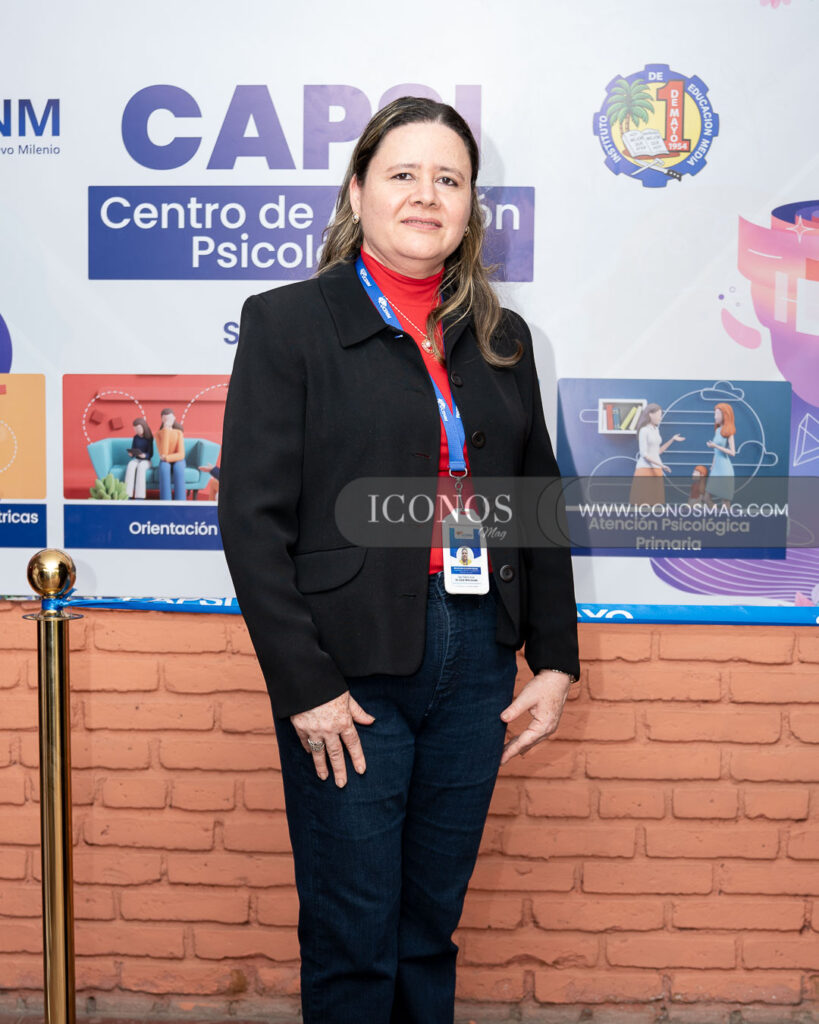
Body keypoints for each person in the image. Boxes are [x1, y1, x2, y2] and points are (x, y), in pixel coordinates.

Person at [218, 96, 579, 1024]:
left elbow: (534, 497)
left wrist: (554, 659)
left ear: (470, 206)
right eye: (403, 174)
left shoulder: (502, 338)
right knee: (355, 936)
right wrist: (304, 685)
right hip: (348, 666)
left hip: (476, 657)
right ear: (357, 192)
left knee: (428, 929)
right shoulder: (288, 322)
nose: (427, 195)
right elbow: (251, 520)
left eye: (448, 179)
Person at [629, 402, 684, 505]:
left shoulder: (656, 430)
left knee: (655, 503)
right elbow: (644, 454)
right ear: (650, 414)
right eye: (659, 415)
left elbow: (657, 452)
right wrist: (662, 465)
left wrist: (672, 439)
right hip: (645, 470)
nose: (660, 418)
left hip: (657, 469)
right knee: (643, 502)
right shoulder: (644, 430)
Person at [706, 401, 736, 505]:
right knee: (707, 497)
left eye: (717, 414)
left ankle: (725, 515)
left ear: (725, 415)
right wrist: (713, 464)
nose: (715, 416)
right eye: (715, 414)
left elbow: (732, 452)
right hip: (716, 467)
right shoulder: (717, 430)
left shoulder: (729, 432)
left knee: (725, 500)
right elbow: (716, 452)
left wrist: (716, 446)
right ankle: (715, 513)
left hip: (724, 468)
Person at [156, 407, 186, 500]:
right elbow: (163, 452)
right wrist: (166, 431)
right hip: (165, 461)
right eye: (165, 420)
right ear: (162, 420)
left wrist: (167, 458)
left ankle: (181, 501)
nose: (168, 422)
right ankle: (165, 501)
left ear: (174, 418)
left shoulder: (179, 433)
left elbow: (181, 454)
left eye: (169, 419)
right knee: (164, 468)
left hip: (178, 460)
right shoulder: (159, 434)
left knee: (179, 468)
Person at [123, 417, 153, 499]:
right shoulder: (135, 437)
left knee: (141, 467)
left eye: (138, 428)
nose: (137, 431)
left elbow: (150, 454)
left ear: (143, 427)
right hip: (137, 459)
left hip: (146, 461)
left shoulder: (149, 438)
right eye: (135, 429)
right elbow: (133, 449)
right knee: (130, 465)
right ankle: (127, 494)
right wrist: (131, 454)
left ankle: (140, 496)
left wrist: (144, 455)